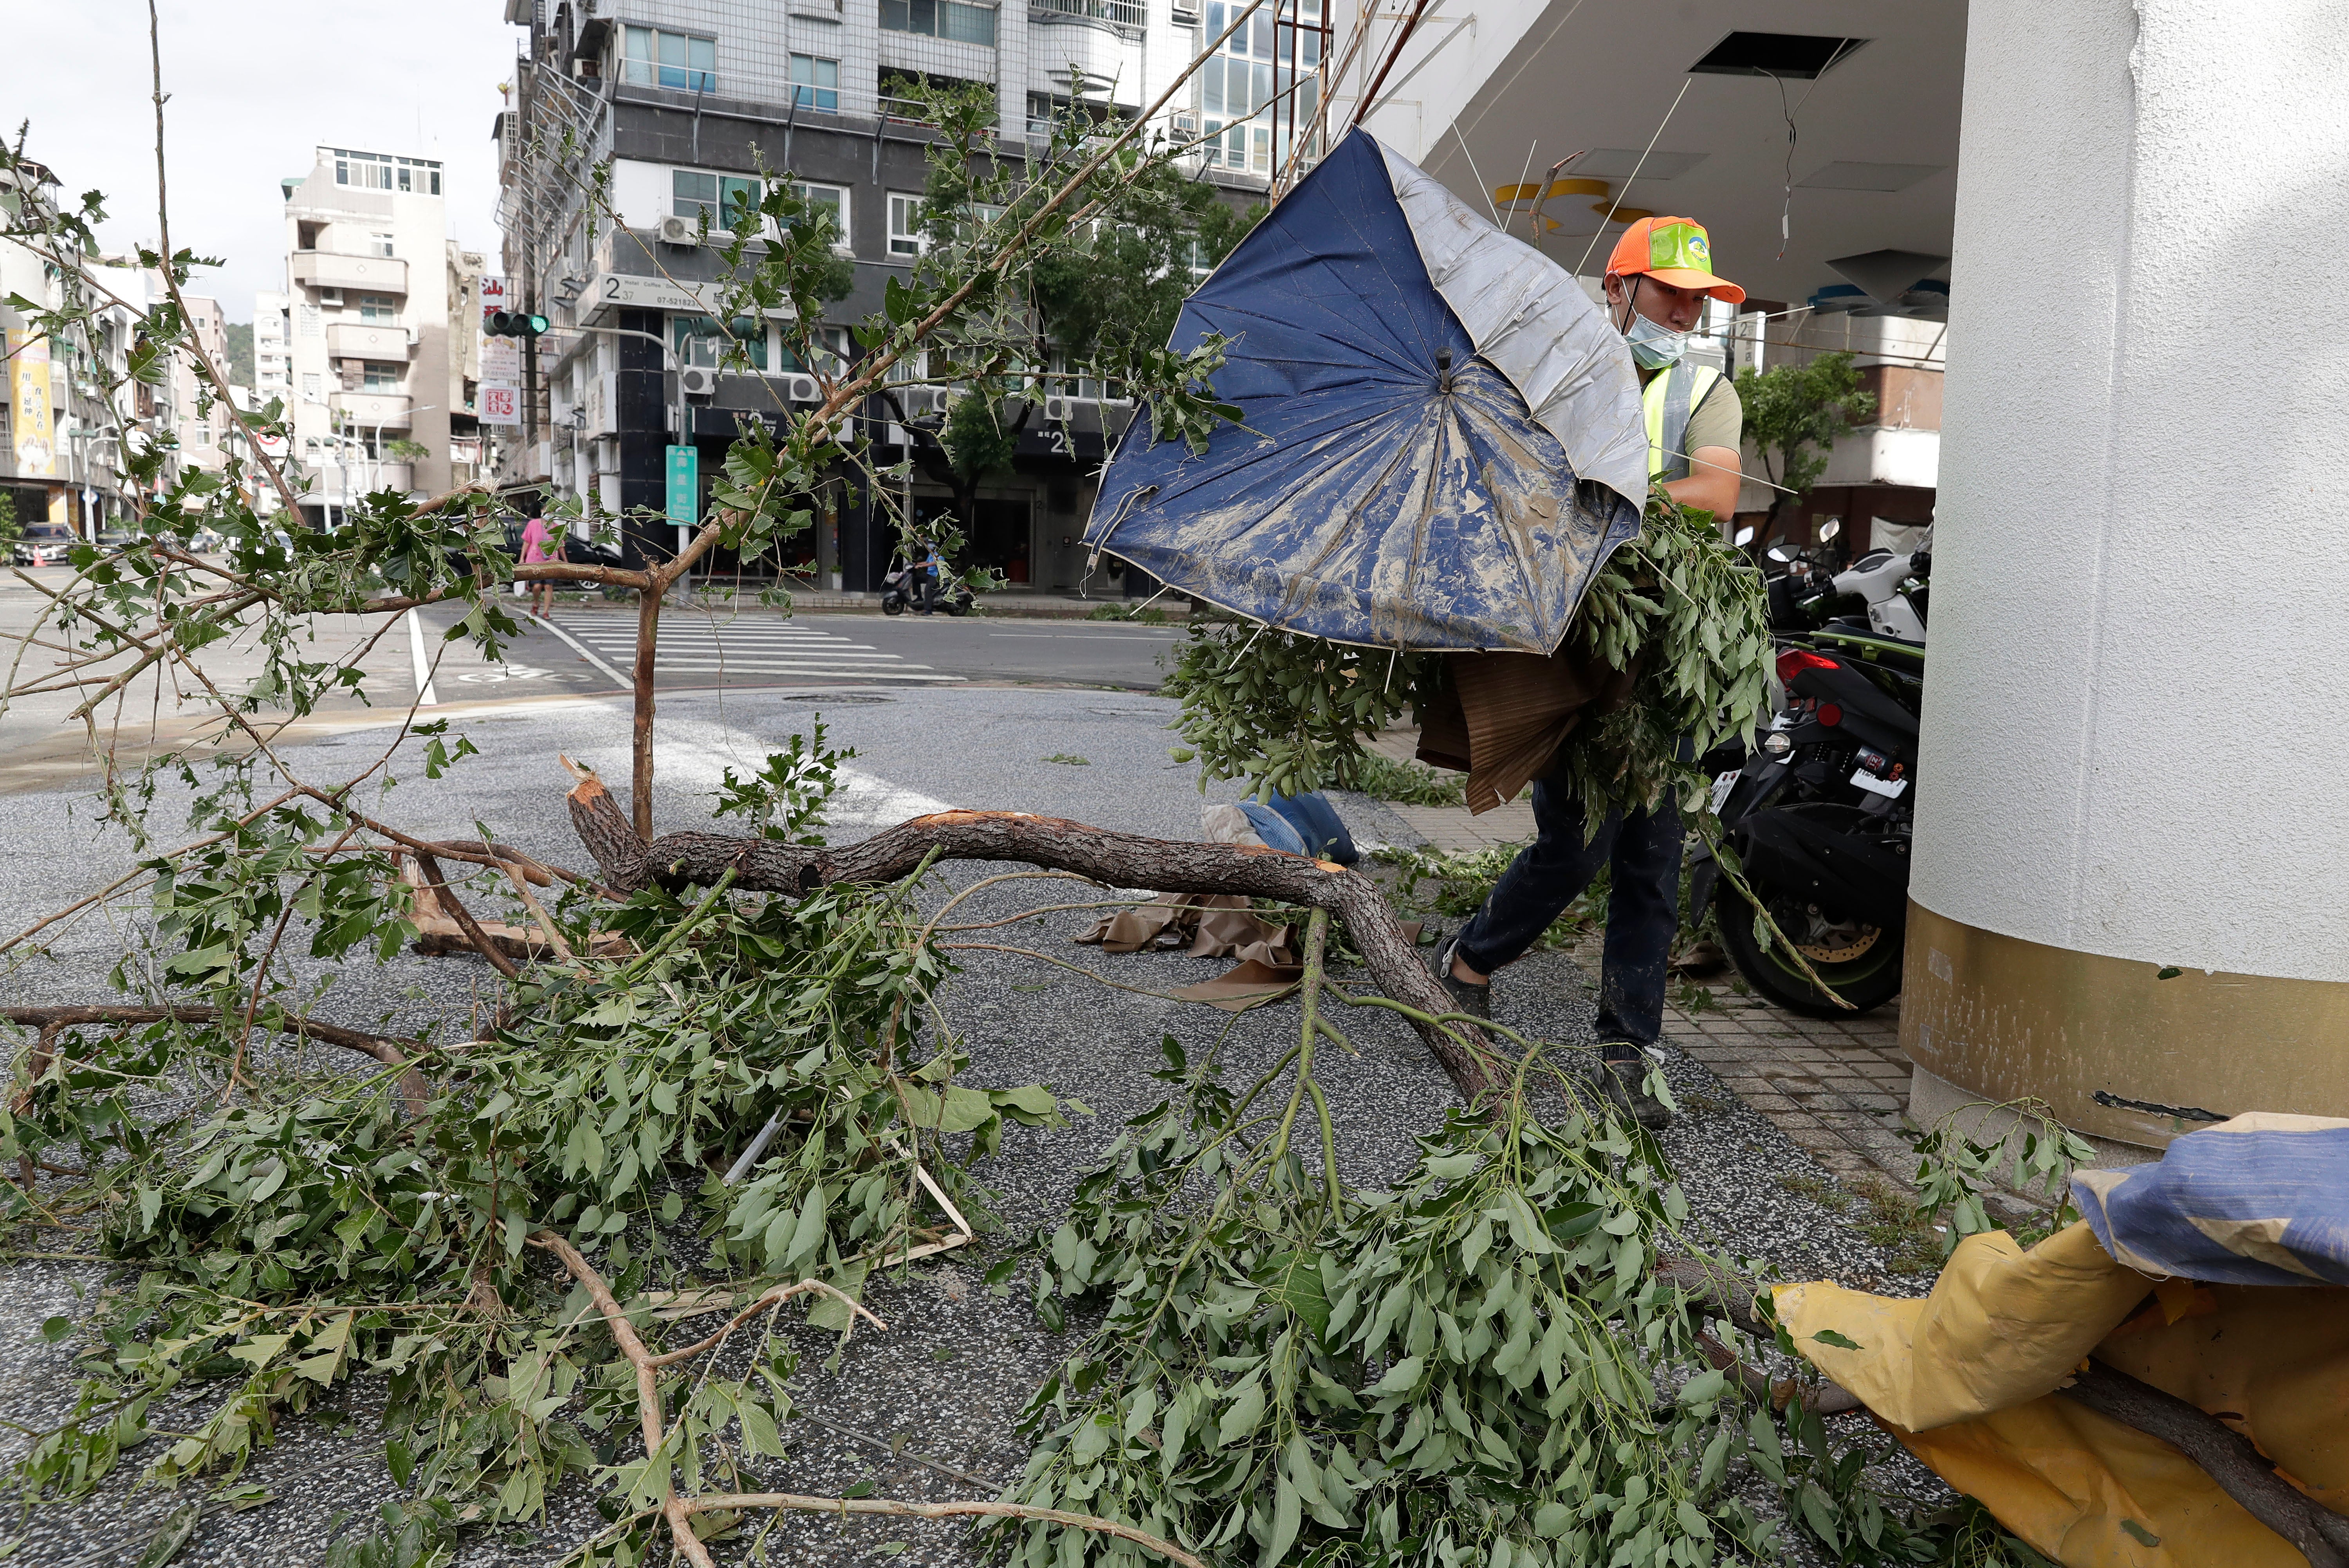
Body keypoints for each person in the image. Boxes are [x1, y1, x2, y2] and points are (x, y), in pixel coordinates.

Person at [1432, 216, 1746, 1131]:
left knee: (1651, 856)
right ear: (1616, 290)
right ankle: (1469, 962)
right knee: (1576, 845)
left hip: (1663, 647)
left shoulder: (1705, 391)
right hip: (1568, 640)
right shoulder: (1552, 379)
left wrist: (1600, 505)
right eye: (1668, 292)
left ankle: (1627, 1044)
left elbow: (1717, 495)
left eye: (1697, 298)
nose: (1685, 313)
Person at [519, 514, 558, 618]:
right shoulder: (533, 524)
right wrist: (522, 558)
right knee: (537, 586)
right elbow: (527, 542)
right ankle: (536, 603)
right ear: (542, 511)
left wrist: (566, 562)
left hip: (551, 561)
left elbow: (561, 545)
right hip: (535, 560)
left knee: (549, 586)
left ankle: (546, 612)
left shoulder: (556, 527)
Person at [916, 541, 945, 614]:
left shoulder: (939, 555)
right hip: (929, 575)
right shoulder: (931, 554)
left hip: (936, 576)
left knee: (928, 589)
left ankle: (928, 610)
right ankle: (919, 597)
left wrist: (921, 566)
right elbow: (927, 562)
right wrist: (916, 563)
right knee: (915, 579)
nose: (929, 545)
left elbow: (933, 563)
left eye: (931, 543)